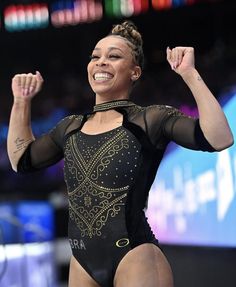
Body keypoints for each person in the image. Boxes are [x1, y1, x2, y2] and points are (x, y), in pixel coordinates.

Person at [7, 21, 233, 287]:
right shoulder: (70, 127)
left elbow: (219, 138)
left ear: (135, 72)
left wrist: (189, 74)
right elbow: (22, 160)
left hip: (135, 256)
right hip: (82, 262)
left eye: (113, 56)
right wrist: (21, 102)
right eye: (95, 56)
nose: (101, 62)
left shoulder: (150, 119)